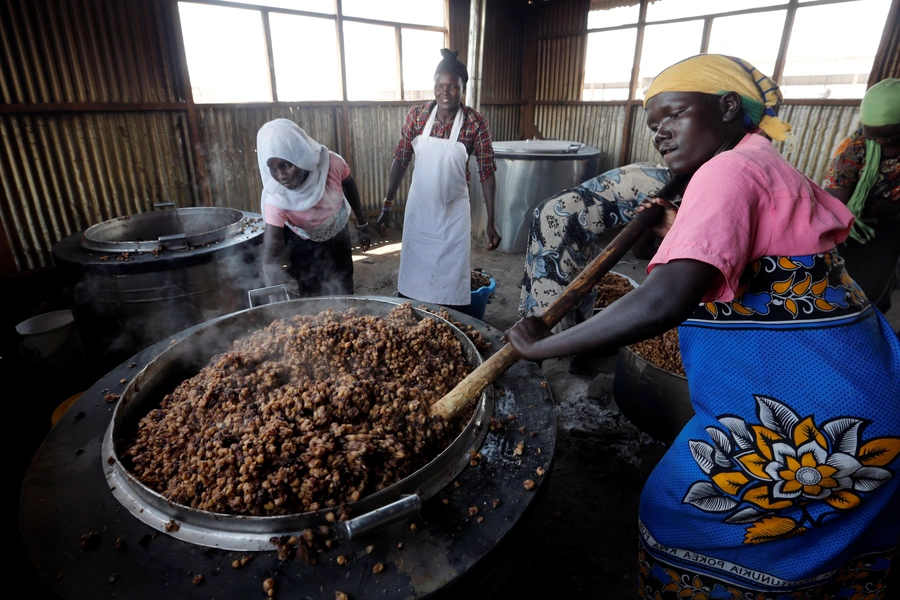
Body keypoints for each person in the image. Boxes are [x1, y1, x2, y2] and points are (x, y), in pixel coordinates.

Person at [505, 54, 900, 598]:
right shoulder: (759, 162)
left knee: (680, 519)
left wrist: (542, 345)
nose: (660, 132)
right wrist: (673, 228)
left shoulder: (727, 171)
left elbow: (662, 303)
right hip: (862, 395)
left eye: (674, 114)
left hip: (822, 426)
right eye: (652, 125)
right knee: (801, 555)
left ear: (728, 106)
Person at [377, 48, 501, 315]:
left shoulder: (475, 122)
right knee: (414, 278)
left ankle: (451, 325)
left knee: (450, 281)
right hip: (420, 212)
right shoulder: (418, 116)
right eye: (439, 86)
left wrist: (492, 220)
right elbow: (401, 159)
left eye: (453, 87)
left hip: (452, 215)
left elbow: (487, 172)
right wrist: (387, 204)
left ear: (462, 88)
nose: (445, 92)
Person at [518, 162, 677, 332]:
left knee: (579, 280)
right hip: (557, 223)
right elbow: (641, 250)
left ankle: (563, 333)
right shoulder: (662, 190)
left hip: (564, 221)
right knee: (552, 297)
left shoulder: (663, 173)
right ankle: (546, 339)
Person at [257, 118, 371, 296]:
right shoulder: (276, 199)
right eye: (272, 168)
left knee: (344, 284)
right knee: (311, 294)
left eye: (286, 165)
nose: (281, 176)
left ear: (300, 155)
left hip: (338, 233)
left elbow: (349, 185)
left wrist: (362, 223)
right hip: (302, 243)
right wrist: (274, 299)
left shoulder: (331, 164)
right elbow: (271, 254)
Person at [823, 78, 900, 314]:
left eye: (883, 136)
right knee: (836, 289)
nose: (874, 141)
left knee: (871, 295)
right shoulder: (855, 147)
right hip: (851, 229)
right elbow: (835, 203)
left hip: (890, 232)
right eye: (869, 133)